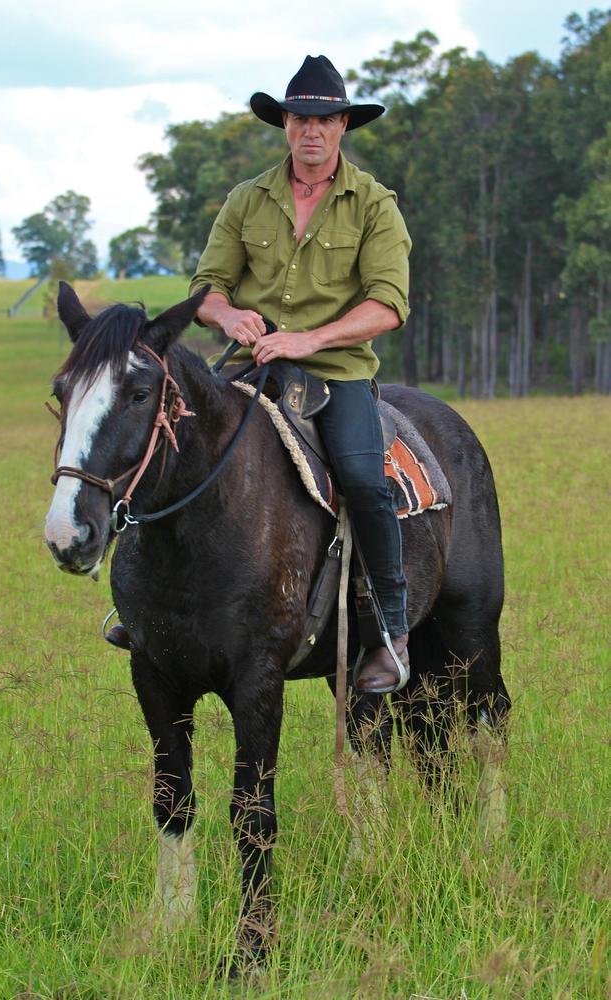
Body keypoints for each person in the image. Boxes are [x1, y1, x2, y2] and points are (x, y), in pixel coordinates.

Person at [188, 55, 412, 694]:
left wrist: (309, 337)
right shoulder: (246, 199)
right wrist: (229, 317)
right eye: (299, 117)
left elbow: (388, 303)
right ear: (284, 123)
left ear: (344, 125)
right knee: (168, 442)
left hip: (335, 371)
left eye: (325, 119)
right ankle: (145, 607)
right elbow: (206, 288)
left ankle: (390, 633)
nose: (311, 130)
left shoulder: (374, 204)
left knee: (366, 482)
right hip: (248, 363)